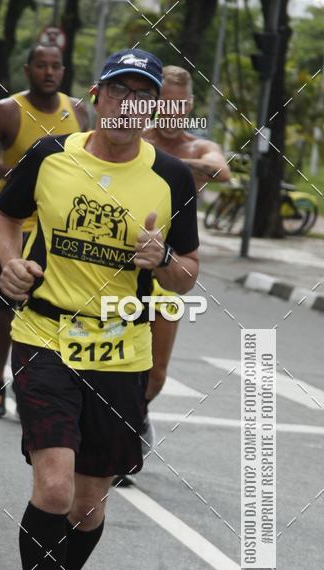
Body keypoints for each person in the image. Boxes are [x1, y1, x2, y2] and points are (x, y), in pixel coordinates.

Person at [0, 49, 199, 570]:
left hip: (119, 350)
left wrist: (163, 261)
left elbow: (188, 276)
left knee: (86, 508)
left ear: (152, 107)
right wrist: (11, 263)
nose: (128, 105)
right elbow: (4, 216)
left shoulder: (171, 178)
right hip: (45, 334)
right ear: (97, 96)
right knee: (53, 488)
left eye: (142, 95)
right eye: (118, 91)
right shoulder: (50, 155)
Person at [113, 65, 229, 479]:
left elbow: (221, 170)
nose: (172, 111)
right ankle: (117, 437)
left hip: (171, 264)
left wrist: (178, 163)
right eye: (164, 103)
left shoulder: (198, 145)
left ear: (190, 106)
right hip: (125, 262)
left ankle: (137, 414)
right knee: (113, 355)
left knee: (156, 371)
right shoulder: (137, 138)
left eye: (180, 104)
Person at [0, 44, 88, 417]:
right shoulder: (7, 110)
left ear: (63, 71)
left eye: (55, 66)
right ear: (27, 69)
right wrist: (15, 172)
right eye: (41, 65)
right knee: (3, 313)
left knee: (48, 313)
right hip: (11, 224)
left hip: (57, 232)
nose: (48, 72)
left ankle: (31, 386)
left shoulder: (79, 111)